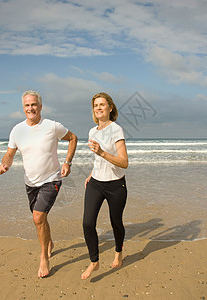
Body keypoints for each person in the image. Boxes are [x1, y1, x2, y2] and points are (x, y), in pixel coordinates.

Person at [0, 90, 78, 278]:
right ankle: (49, 243)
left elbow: (73, 138)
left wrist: (67, 162)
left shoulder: (52, 126)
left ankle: (44, 258)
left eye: (34, 104)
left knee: (38, 218)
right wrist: (5, 164)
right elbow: (10, 153)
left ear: (40, 107)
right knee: (40, 219)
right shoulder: (17, 130)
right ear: (23, 108)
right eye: (27, 105)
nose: (30, 108)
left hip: (52, 179)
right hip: (30, 182)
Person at [81, 92, 128, 279]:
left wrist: (101, 152)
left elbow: (124, 162)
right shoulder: (92, 132)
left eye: (102, 104)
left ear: (110, 108)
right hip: (96, 183)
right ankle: (94, 261)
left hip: (116, 185)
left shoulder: (117, 129)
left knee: (116, 222)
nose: (98, 108)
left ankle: (118, 252)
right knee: (87, 223)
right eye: (95, 105)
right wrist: (91, 174)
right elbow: (97, 159)